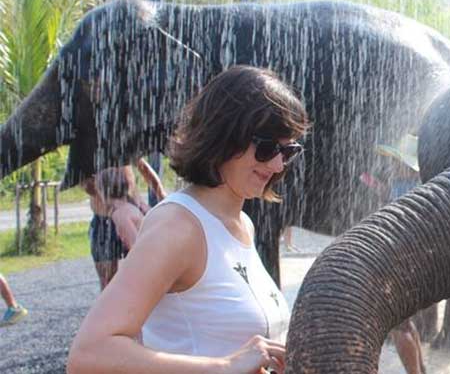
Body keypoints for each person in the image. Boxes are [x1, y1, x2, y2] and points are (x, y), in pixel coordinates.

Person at [68, 66, 308, 374]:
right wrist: (224, 366)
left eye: (288, 152)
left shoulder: (241, 224)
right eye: (266, 148)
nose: (276, 165)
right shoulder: (178, 226)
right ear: (224, 135)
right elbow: (89, 353)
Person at [359, 134, 427, 374]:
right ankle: (420, 370)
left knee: (400, 326)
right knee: (407, 322)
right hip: (413, 263)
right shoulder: (415, 185)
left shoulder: (404, 188)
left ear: (405, 165)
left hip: (398, 263)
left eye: (397, 161)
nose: (392, 165)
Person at [83, 161, 165, 290]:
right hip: (105, 218)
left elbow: (145, 169)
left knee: (138, 276)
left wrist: (162, 197)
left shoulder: (125, 146)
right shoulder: (89, 151)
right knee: (108, 280)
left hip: (127, 207)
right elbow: (85, 185)